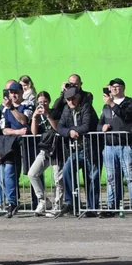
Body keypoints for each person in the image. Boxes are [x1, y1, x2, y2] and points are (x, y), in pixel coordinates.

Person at [56, 86, 100, 216]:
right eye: (68, 100)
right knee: (67, 170)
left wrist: (74, 130)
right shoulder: (66, 109)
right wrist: (69, 132)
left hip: (91, 148)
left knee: (91, 178)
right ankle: (71, 202)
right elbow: (59, 126)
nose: (70, 102)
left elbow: (87, 125)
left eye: (72, 99)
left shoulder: (86, 107)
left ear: (78, 97)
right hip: (76, 149)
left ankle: (92, 208)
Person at [0, 80, 31, 217]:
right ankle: (12, 203)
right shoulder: (4, 108)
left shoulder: (27, 104)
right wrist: (17, 132)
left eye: (16, 92)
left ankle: (36, 201)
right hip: (11, 144)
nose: (13, 95)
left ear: (22, 92)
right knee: (9, 173)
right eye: (11, 92)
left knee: (32, 173)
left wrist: (13, 108)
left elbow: (24, 120)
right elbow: (4, 130)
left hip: (27, 144)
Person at [99, 78, 132, 215]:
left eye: (117, 86)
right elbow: (99, 123)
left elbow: (127, 117)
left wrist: (112, 103)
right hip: (110, 146)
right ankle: (112, 206)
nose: (114, 88)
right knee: (111, 177)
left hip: (126, 145)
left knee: (130, 177)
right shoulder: (106, 107)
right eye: (112, 86)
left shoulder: (129, 102)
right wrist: (102, 127)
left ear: (123, 88)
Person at [27, 91, 58, 215]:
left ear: (49, 102)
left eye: (45, 102)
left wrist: (47, 115)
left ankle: (58, 205)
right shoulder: (38, 115)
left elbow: (57, 128)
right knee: (32, 174)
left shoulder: (55, 112)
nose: (43, 104)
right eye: (40, 102)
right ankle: (43, 200)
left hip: (57, 149)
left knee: (57, 179)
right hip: (44, 149)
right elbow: (34, 132)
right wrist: (34, 117)